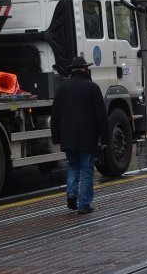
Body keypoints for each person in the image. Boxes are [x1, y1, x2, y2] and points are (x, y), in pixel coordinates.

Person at [50, 56, 109, 215]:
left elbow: (55, 115)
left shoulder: (62, 89)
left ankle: (71, 193)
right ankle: (84, 204)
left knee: (73, 165)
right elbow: (101, 116)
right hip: (87, 138)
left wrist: (56, 136)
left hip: (68, 137)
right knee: (86, 169)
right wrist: (105, 138)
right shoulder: (92, 87)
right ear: (84, 69)